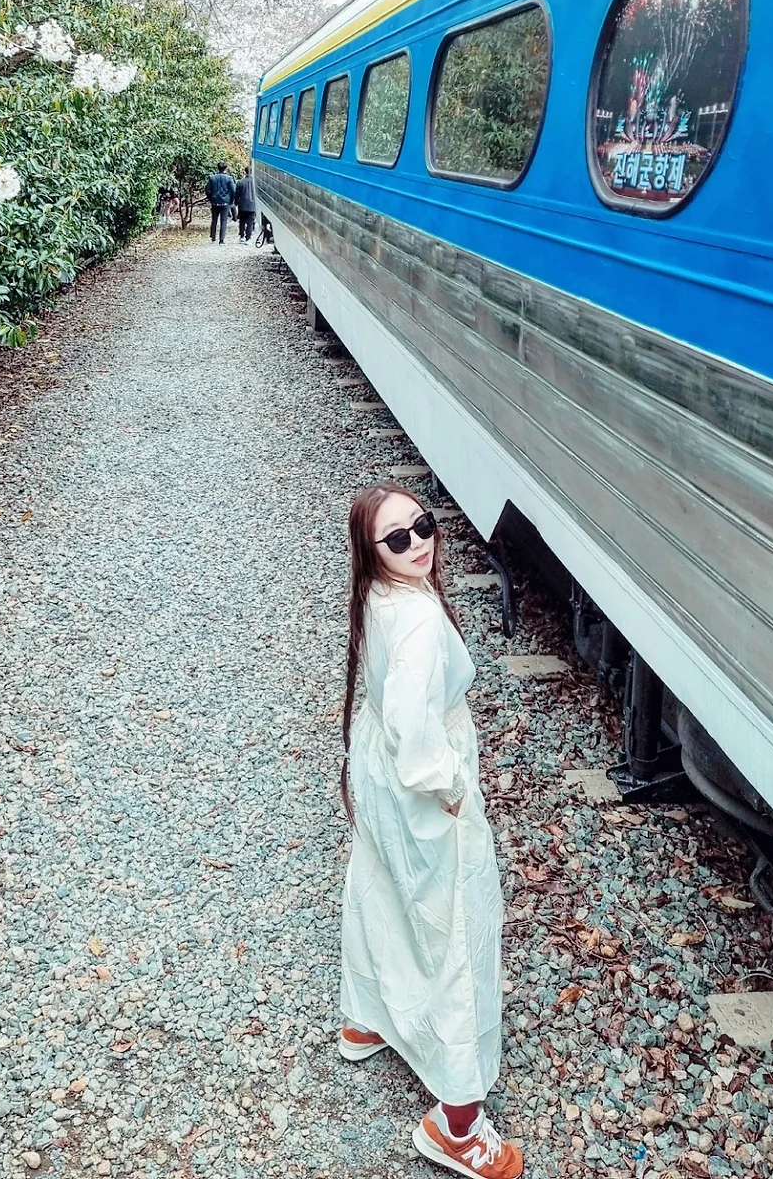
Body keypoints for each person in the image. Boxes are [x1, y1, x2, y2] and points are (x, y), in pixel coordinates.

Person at [338, 481, 522, 1179]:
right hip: (418, 775)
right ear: (372, 551)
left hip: (379, 768)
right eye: (397, 538)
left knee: (382, 884)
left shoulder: (380, 597)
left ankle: (366, 1018)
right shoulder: (417, 618)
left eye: (423, 525)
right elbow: (415, 729)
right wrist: (450, 785)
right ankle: (457, 1125)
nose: (418, 543)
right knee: (457, 929)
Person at [205, 160, 237, 244]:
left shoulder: (212, 178)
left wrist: (211, 199)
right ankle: (221, 240)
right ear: (226, 168)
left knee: (214, 220)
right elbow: (233, 191)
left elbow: (207, 191)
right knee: (223, 221)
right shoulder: (229, 178)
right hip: (225, 202)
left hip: (215, 202)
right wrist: (231, 200)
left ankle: (213, 237)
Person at [234, 164, 257, 243]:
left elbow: (237, 194)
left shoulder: (240, 182)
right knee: (250, 222)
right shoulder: (255, 182)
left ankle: (242, 236)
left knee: (242, 221)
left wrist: (236, 203)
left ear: (245, 172)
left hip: (242, 205)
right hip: (252, 205)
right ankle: (248, 237)